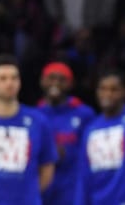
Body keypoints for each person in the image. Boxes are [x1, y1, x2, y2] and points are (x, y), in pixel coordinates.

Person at [0, 54, 58, 205]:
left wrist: (28, 195)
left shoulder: (39, 121)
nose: (10, 83)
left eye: (14, 78)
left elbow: (47, 167)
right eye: (3, 78)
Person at [74, 70, 125, 205]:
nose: (107, 94)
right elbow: (83, 174)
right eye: (103, 89)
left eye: (114, 89)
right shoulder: (91, 128)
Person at [37, 61, 96, 205]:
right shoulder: (35, 116)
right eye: (51, 78)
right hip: (44, 191)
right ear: (42, 81)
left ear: (71, 83)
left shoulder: (84, 114)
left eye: (62, 79)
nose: (56, 83)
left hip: (74, 189)